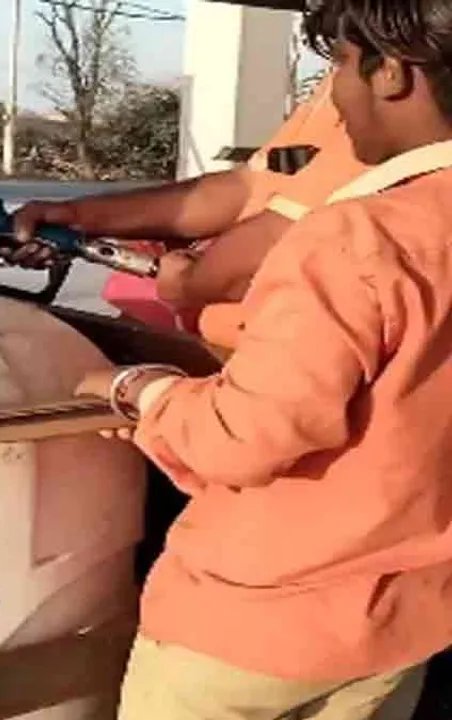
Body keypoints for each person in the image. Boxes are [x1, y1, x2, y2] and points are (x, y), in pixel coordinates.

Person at [73, 0, 452, 716]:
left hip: (260, 624)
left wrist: (140, 390)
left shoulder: (357, 238)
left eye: (340, 67)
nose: (334, 100)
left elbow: (244, 435)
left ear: (393, 74)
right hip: (408, 620)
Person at [9, 38, 370, 345]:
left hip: (273, 359)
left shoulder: (385, 100)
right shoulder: (338, 85)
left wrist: (192, 281)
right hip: (209, 338)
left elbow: (290, 240)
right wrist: (78, 217)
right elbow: (248, 187)